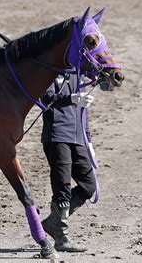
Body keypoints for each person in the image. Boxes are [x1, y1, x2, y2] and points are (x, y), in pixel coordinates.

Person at [40, 74, 97, 252]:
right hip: (57, 136)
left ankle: (53, 222)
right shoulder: (50, 70)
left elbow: (83, 111)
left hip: (78, 138)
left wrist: (89, 141)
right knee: (62, 188)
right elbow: (46, 98)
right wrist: (71, 98)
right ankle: (61, 237)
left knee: (89, 186)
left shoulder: (78, 73)